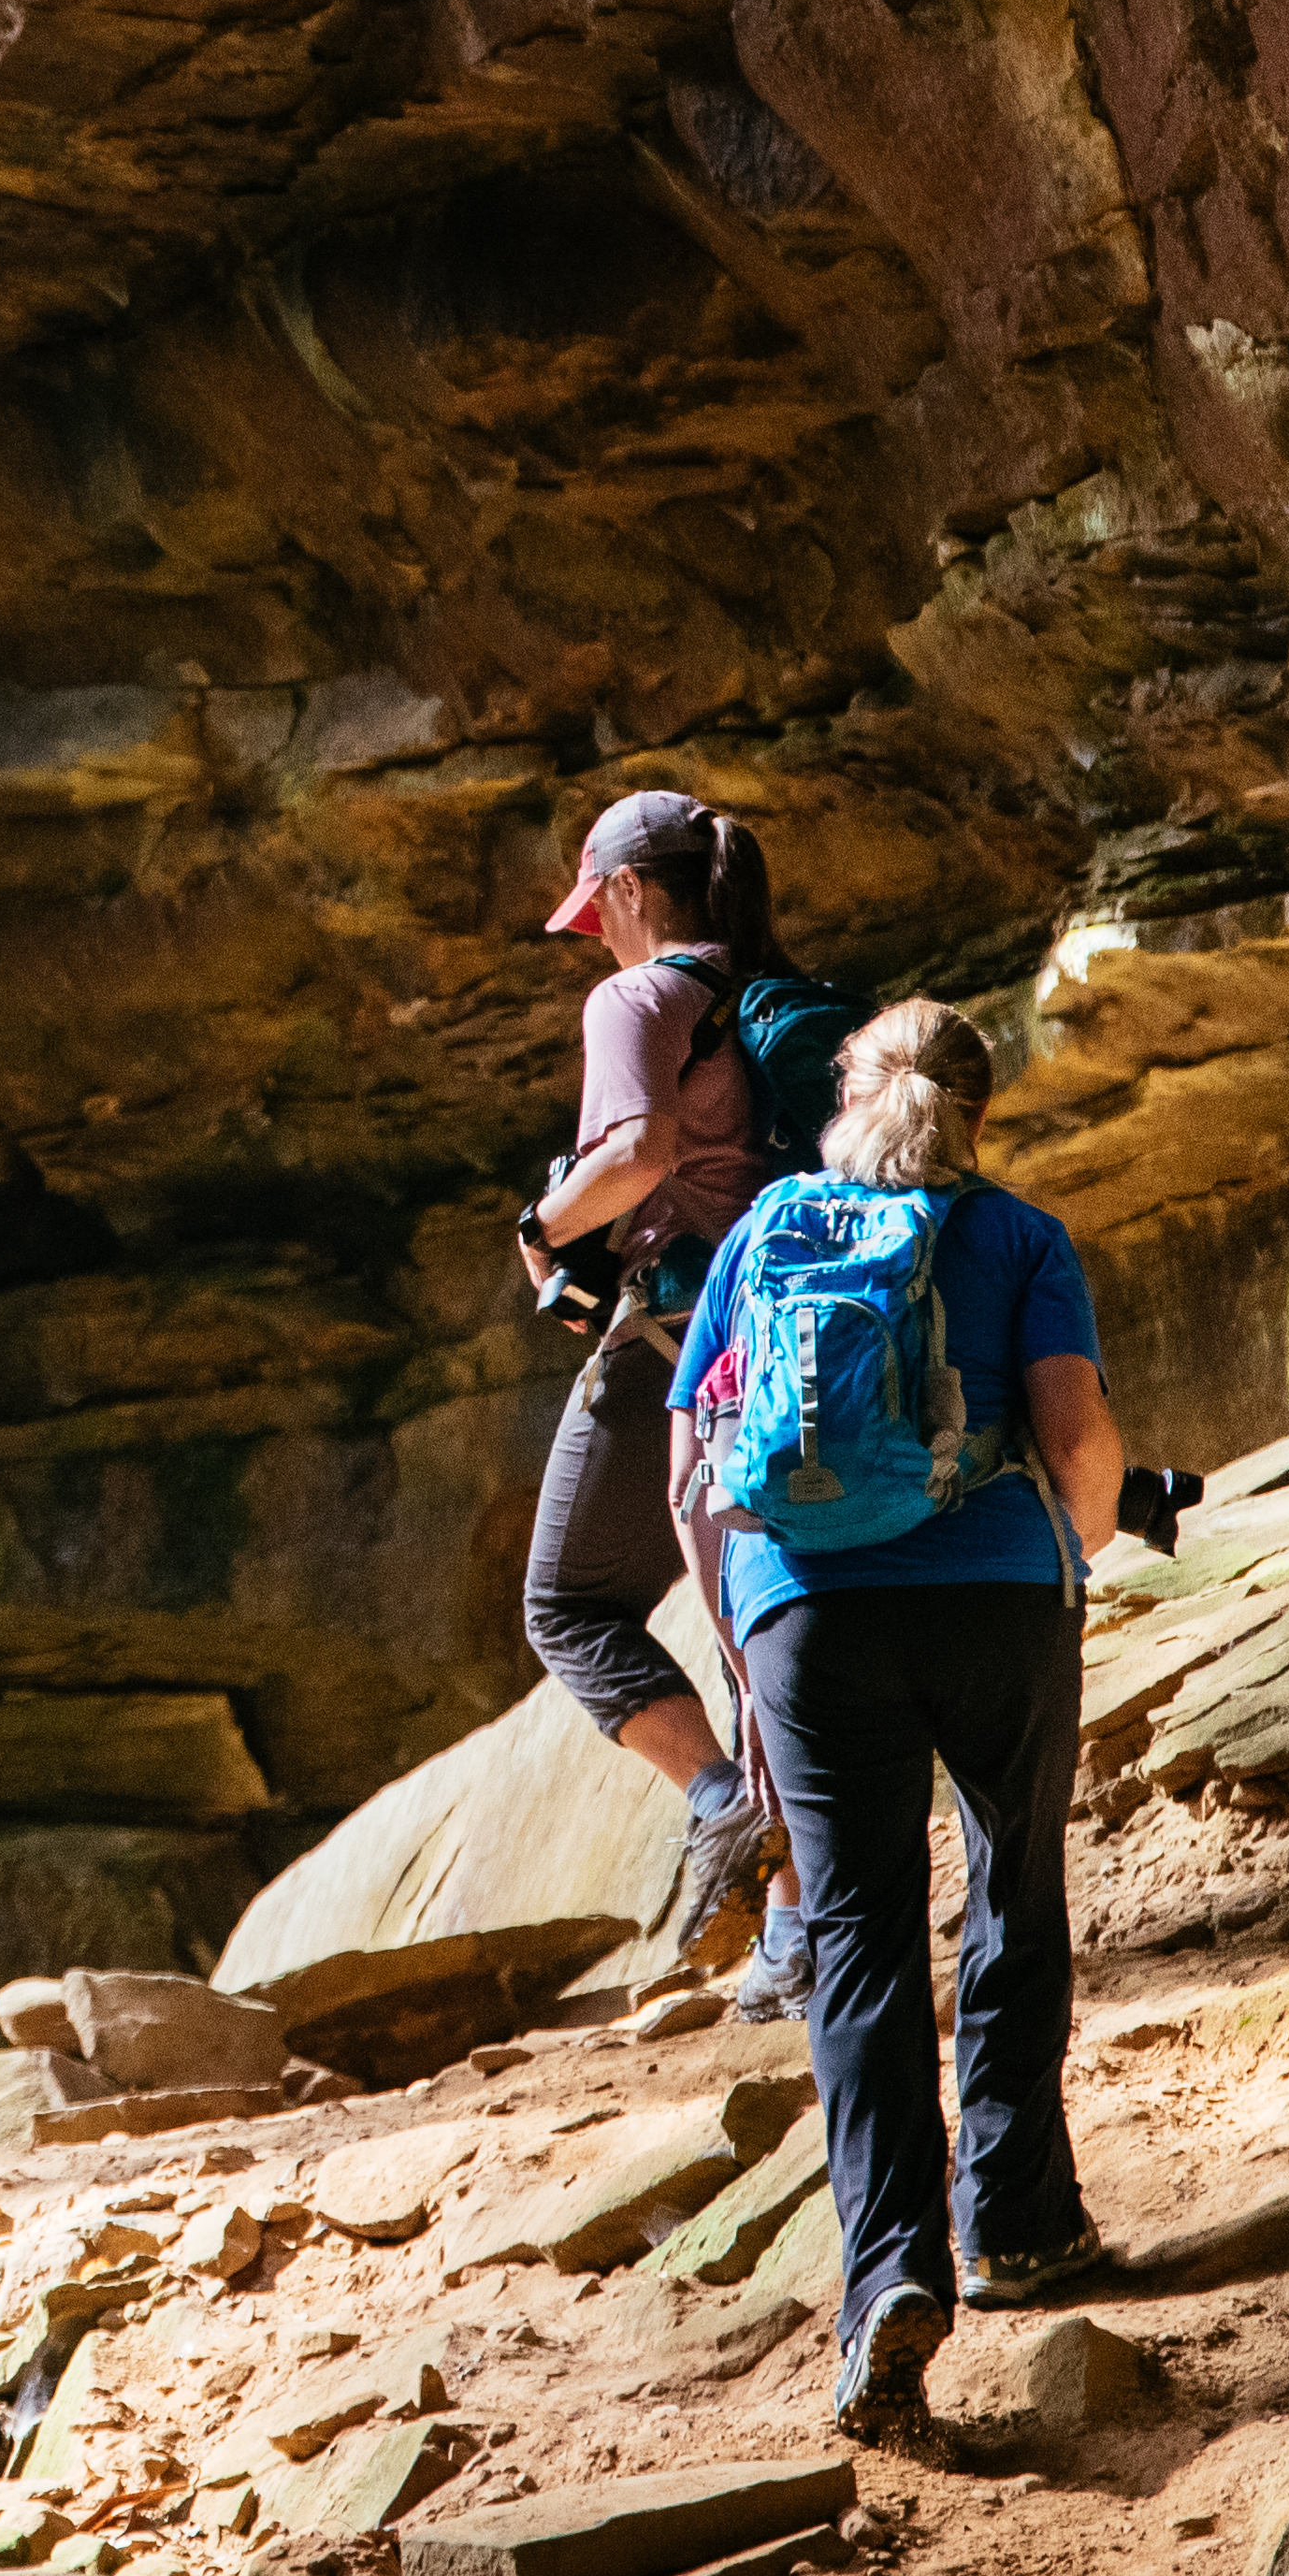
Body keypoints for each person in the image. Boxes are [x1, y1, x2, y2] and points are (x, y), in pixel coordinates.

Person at [661, 996, 1128, 2446]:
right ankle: (1021, 2225)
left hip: (808, 1614)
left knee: (859, 1934)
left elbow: (694, 1464)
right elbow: (1075, 1440)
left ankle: (887, 2283)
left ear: (839, 1098)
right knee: (1012, 1884)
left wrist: (747, 1637)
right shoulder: (1019, 1239)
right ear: (978, 1112)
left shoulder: (764, 1233)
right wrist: (1077, 1552)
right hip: (998, 1596)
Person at [513, 783, 800, 1976]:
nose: (600, 935)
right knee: (758, 1631)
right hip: (795, 1349)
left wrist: (541, 1225)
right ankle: (794, 1941)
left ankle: (725, 1800)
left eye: (600, 910)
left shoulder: (638, 993)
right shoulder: (780, 999)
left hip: (678, 1348)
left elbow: (639, 1152)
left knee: (566, 1604)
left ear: (631, 889)